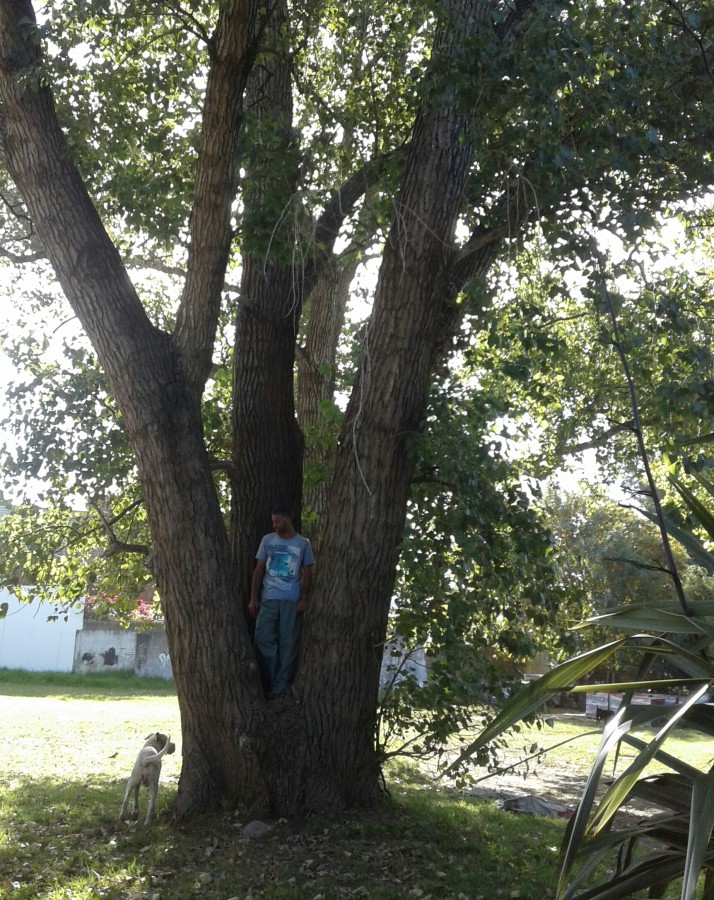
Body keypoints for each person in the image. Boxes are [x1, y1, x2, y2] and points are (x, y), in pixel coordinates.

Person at [248, 505, 314, 698]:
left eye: (277, 521)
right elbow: (259, 569)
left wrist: (303, 597)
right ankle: (268, 679)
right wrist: (254, 597)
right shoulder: (267, 540)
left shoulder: (303, 543)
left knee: (289, 642)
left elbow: (308, 572)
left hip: (291, 601)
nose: (274, 525)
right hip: (268, 599)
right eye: (273, 521)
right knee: (263, 638)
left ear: (287, 519)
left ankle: (280, 686)